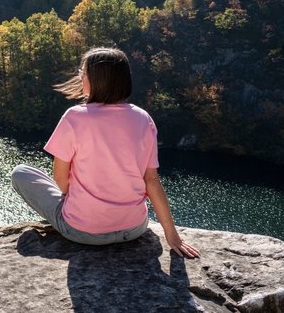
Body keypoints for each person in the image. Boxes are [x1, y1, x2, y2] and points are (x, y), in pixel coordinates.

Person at [11, 47, 199, 258]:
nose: (80, 77)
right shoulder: (143, 118)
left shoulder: (74, 117)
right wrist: (172, 235)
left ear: (95, 80)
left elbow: (62, 182)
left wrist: (84, 204)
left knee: (21, 172)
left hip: (83, 232)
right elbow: (152, 181)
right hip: (134, 229)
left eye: (82, 73)